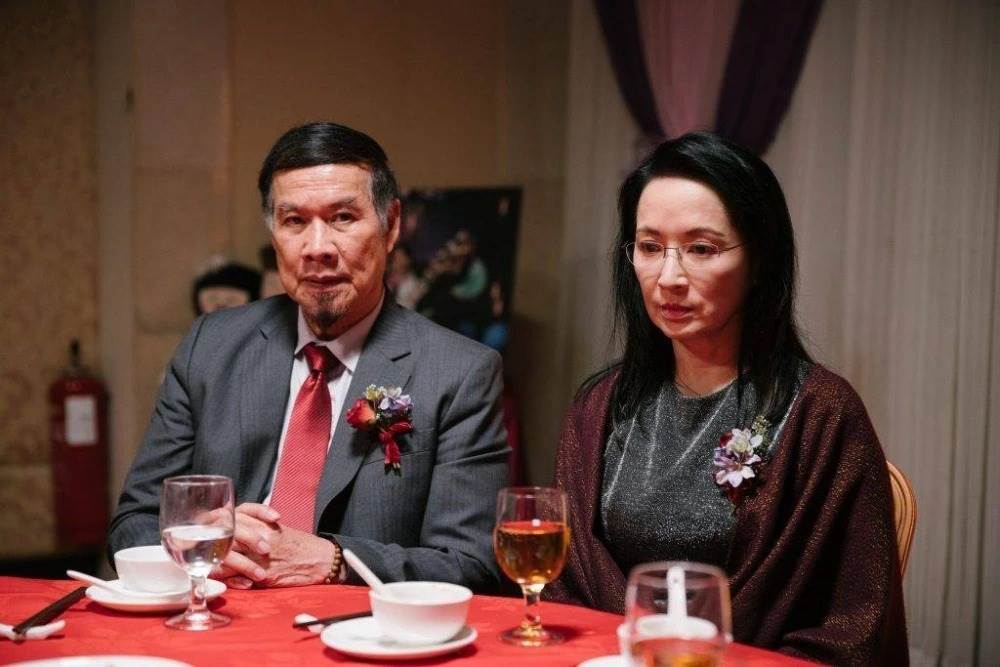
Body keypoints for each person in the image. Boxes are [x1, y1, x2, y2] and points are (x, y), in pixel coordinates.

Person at [547, 133, 908, 664]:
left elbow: (850, 627)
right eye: (649, 247)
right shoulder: (601, 407)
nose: (669, 277)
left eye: (701, 249)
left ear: (759, 259)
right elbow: (565, 589)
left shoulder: (821, 414)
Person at [109, 122, 510, 591]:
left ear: (391, 225)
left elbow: (472, 566)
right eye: (294, 222)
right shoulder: (211, 346)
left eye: (343, 217)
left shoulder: (459, 372)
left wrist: (335, 561)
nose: (317, 249)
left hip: (358, 627)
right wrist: (206, 544)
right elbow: (134, 523)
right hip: (221, 617)